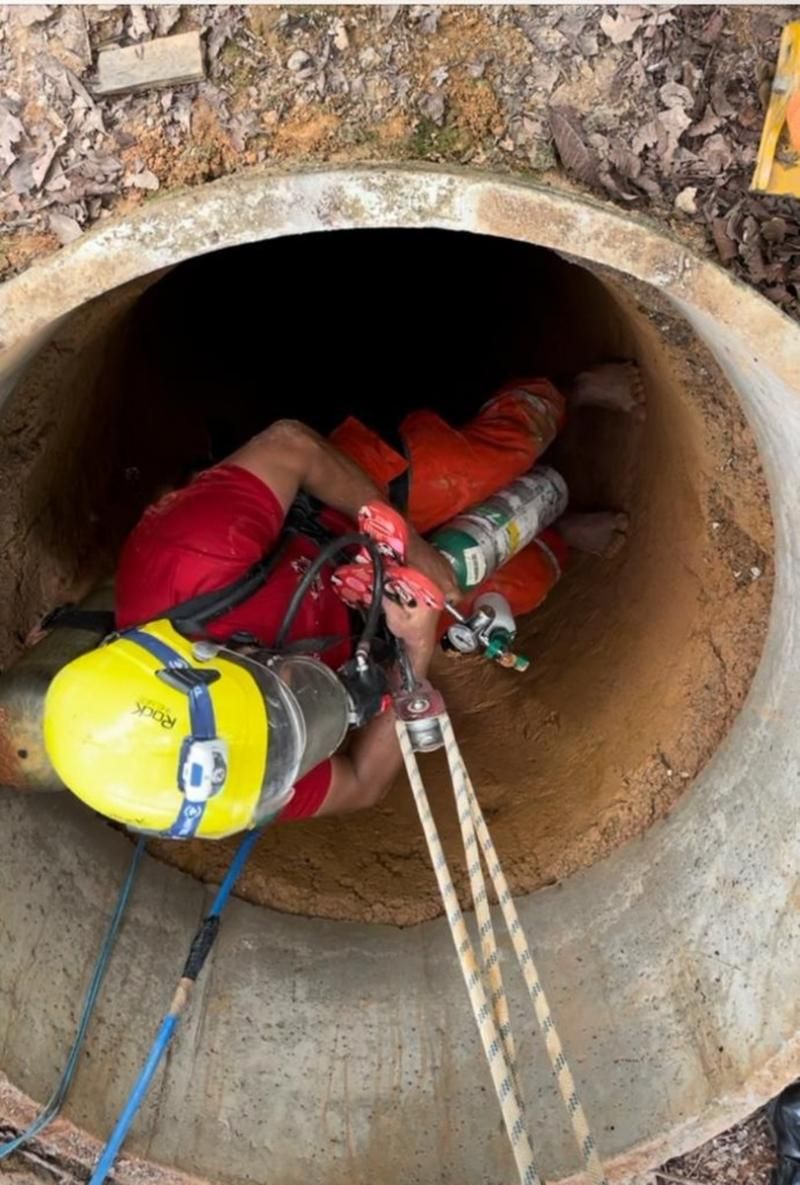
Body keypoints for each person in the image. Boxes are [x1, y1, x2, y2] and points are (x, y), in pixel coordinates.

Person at [114, 363, 641, 825]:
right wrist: (416, 647)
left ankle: (569, 389)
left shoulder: (186, 560)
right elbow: (363, 785)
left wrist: (411, 547)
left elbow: (291, 446)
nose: (290, 697)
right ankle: (560, 531)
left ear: (197, 666)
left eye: (269, 689)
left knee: (486, 463)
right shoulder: (237, 783)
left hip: (338, 511)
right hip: (370, 616)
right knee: (524, 583)